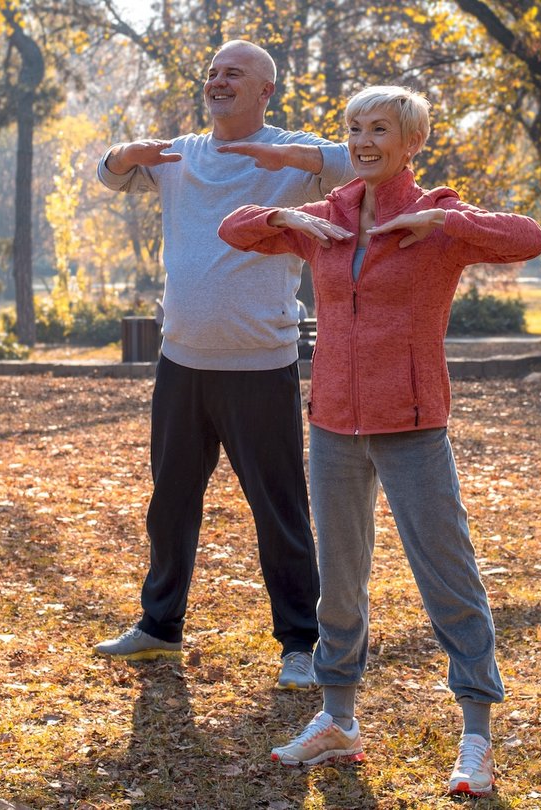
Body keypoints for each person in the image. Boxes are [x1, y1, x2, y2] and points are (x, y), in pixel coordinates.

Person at [218, 85, 541, 796]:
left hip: (413, 427)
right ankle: (337, 721)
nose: (364, 141)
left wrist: (448, 221)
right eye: (355, 128)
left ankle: (477, 736)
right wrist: (279, 212)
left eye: (380, 129)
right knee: (339, 583)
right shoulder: (325, 219)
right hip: (333, 425)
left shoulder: (440, 220)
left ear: (411, 142)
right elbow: (235, 230)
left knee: (448, 580)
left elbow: (528, 238)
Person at [91, 40, 355, 690]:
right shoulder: (180, 154)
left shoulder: (295, 154)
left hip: (260, 368)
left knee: (280, 511)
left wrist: (290, 157)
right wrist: (127, 154)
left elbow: (366, 164)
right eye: (212, 72)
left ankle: (301, 645)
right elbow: (107, 173)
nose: (218, 80)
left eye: (233, 72)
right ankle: (159, 626)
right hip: (181, 363)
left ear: (266, 90)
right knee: (170, 502)